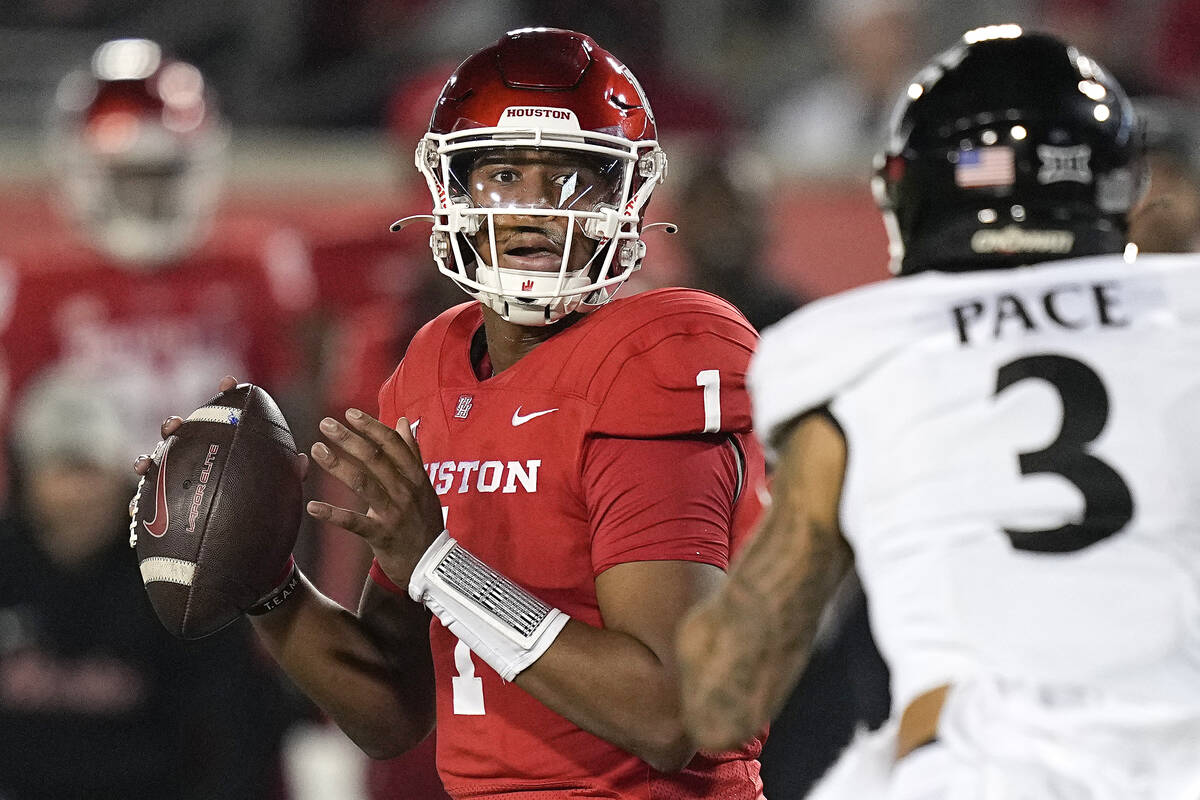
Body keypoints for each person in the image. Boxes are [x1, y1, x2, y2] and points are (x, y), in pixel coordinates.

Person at [138, 27, 767, 800]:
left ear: (627, 193)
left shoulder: (659, 353)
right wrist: (264, 578)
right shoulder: (434, 361)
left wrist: (439, 566)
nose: (536, 209)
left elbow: (671, 713)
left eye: (571, 176)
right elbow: (393, 711)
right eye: (504, 173)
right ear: (451, 193)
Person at [677, 26, 1200, 799]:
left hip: (978, 771)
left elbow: (724, 698)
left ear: (908, 190)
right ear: (1118, 186)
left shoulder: (853, 352)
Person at [0, 369, 297, 800]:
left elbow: (233, 729)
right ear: (27, 479)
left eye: (92, 469)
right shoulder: (9, 565)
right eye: (64, 469)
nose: (81, 493)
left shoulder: (176, 577)